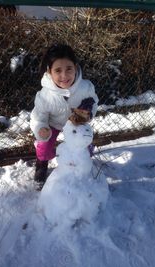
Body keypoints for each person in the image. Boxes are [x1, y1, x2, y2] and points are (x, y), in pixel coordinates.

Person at [30, 43, 99, 189]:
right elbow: (38, 116)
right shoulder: (45, 95)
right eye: (58, 70)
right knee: (44, 148)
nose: (64, 76)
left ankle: (82, 166)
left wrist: (88, 111)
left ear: (75, 67)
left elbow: (93, 102)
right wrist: (41, 128)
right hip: (52, 124)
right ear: (49, 72)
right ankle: (41, 165)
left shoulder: (85, 87)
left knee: (83, 148)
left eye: (69, 69)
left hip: (76, 123)